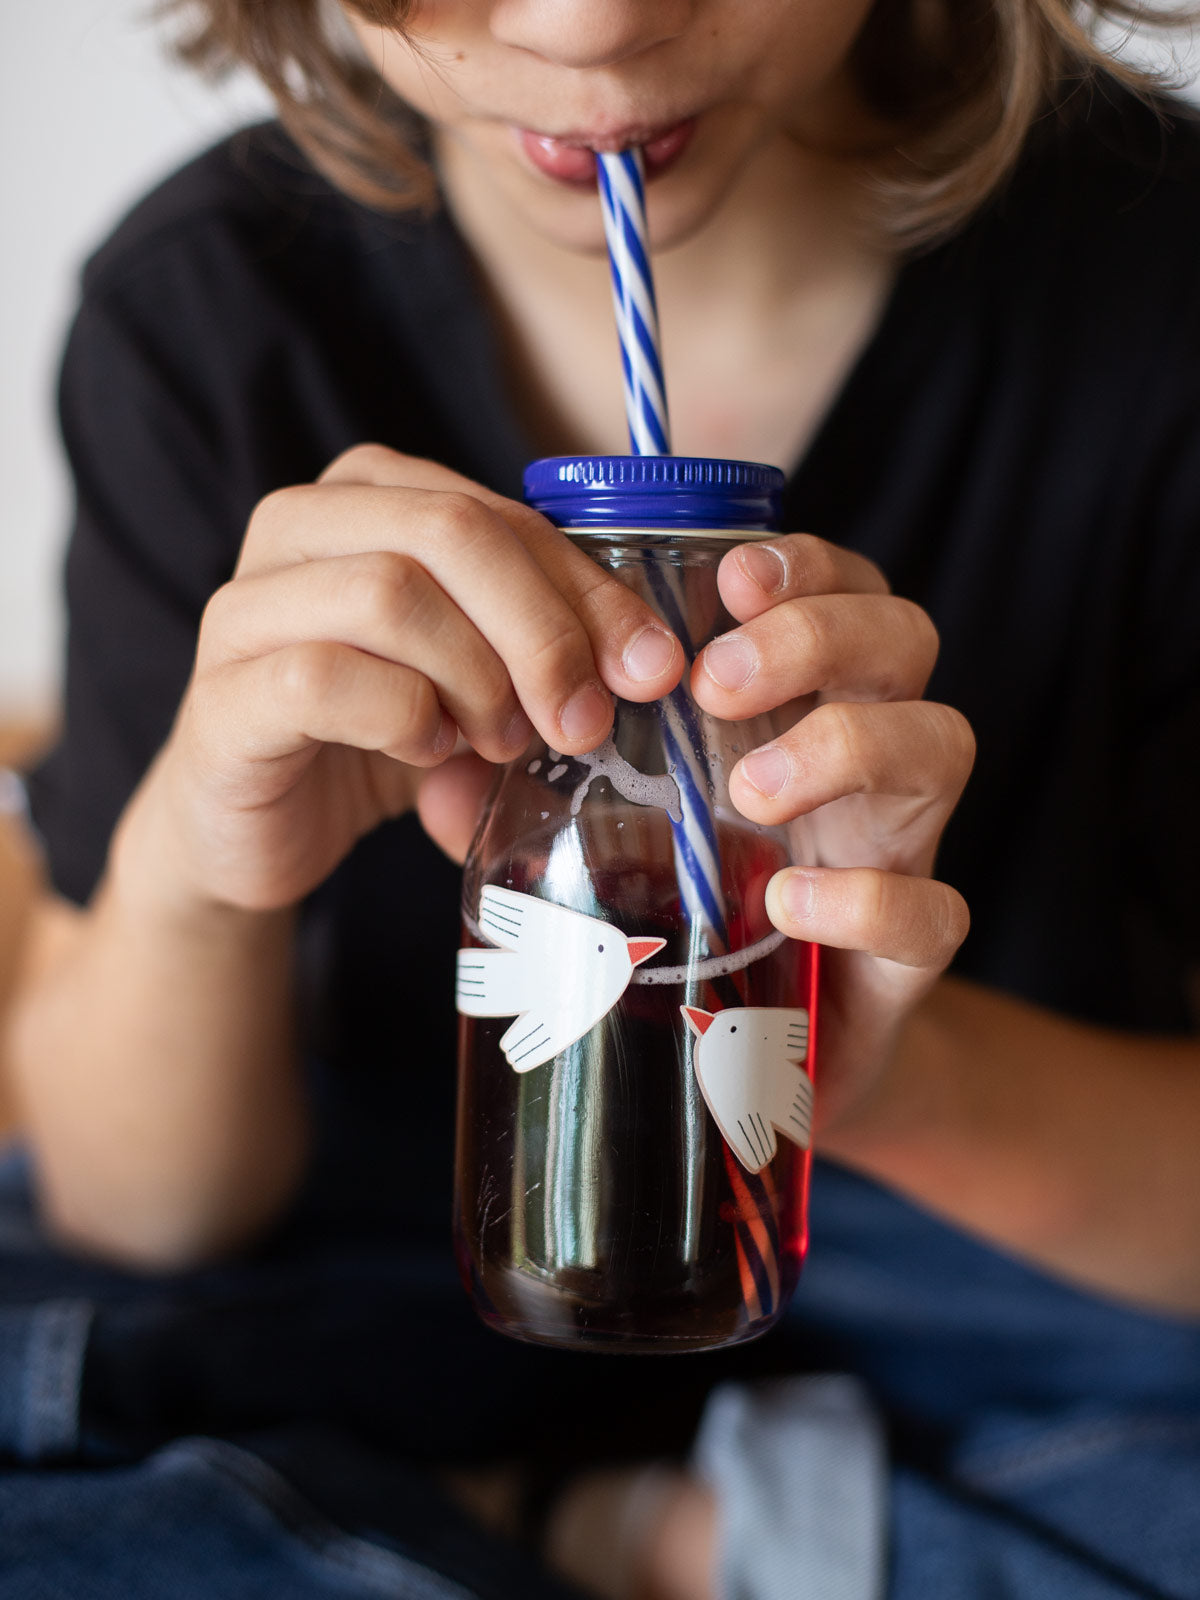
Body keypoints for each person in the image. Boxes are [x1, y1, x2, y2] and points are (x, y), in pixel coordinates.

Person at [3, 0, 1200, 1595]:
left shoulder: (1158, 282)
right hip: (375, 1283)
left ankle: (559, 1534)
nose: (594, 22)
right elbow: (137, 1209)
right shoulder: (210, 313)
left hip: (997, 1299)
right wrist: (201, 878)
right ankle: (781, 1547)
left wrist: (881, 1076)